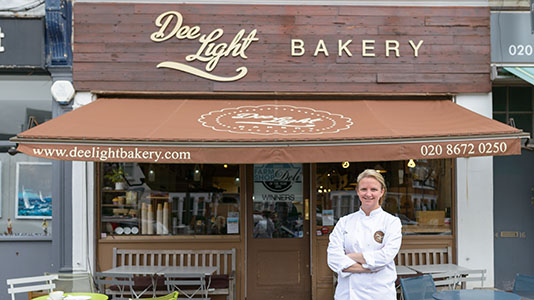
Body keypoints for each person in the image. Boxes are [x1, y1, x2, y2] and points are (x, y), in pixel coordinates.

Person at [327, 169, 402, 300]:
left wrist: (350, 256)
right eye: (363, 189)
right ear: (357, 191)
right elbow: (333, 259)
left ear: (381, 192)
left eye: (373, 189)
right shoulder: (344, 222)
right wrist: (368, 268)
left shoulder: (391, 222)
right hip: (347, 294)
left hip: (379, 293)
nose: (368, 194)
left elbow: (386, 256)